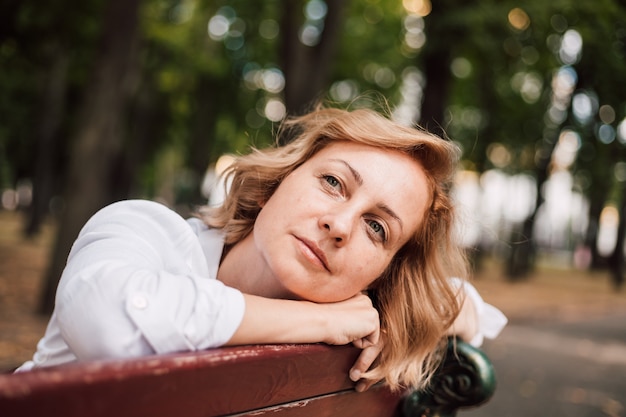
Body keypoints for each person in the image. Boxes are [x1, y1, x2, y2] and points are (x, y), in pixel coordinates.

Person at [17, 105, 506, 392]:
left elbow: (460, 305)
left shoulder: (379, 299)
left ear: (380, 274)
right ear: (276, 183)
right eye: (333, 182)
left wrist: (398, 314)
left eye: (377, 229)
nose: (339, 224)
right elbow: (109, 323)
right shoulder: (146, 232)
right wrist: (326, 321)